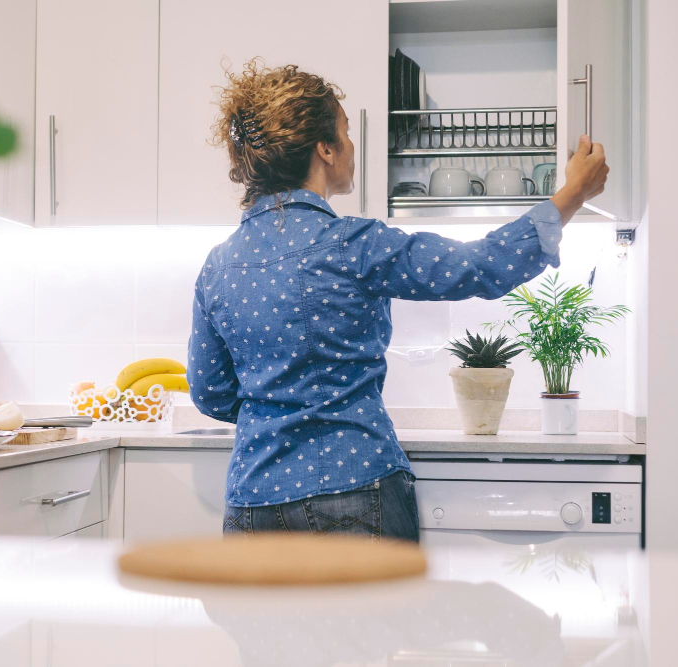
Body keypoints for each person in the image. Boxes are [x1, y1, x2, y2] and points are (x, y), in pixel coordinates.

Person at [186, 60, 608, 542]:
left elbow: (211, 392)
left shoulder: (217, 267)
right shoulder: (353, 244)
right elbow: (479, 266)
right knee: (372, 619)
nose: (351, 145)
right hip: (352, 490)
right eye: (346, 133)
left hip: (252, 501)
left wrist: (280, 405)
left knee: (263, 620)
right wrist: (572, 193)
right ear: (324, 149)